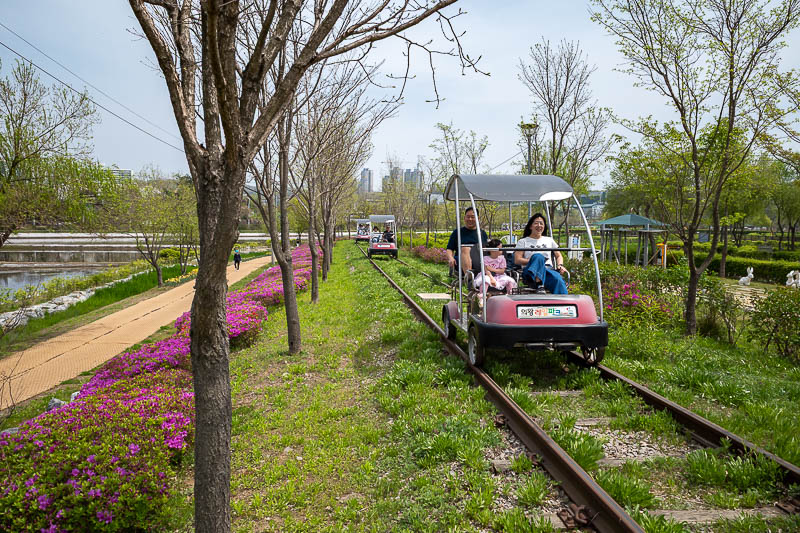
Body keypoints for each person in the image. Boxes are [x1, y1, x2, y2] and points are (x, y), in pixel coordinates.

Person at [514, 213, 568, 294]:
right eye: (536, 223)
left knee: (558, 279)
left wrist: (560, 265)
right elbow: (517, 260)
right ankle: (539, 283)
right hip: (530, 271)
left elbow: (558, 255)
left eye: (541, 223)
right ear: (530, 226)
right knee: (538, 256)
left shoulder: (549, 240)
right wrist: (533, 261)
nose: (539, 225)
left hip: (547, 270)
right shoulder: (523, 241)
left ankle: (563, 304)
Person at [446, 206, 488, 274]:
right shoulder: (457, 232)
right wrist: (450, 258)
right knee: (465, 248)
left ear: (478, 218)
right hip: (461, 260)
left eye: (472, 217)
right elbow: (449, 249)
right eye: (468, 217)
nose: (470, 219)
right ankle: (469, 278)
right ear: (464, 218)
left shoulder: (482, 233)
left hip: (479, 261)